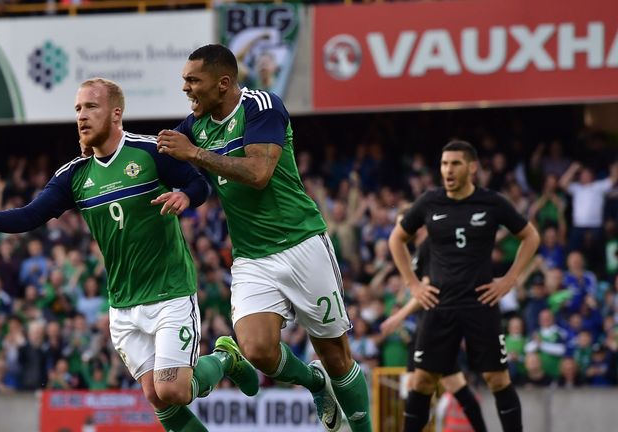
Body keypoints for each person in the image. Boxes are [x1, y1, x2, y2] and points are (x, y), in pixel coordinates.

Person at [0, 77, 257, 432]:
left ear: (116, 114)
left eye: (91, 107)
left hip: (169, 291)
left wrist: (186, 197)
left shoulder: (148, 151)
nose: (82, 115)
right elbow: (32, 215)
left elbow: (198, 183)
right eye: (78, 108)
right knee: (156, 398)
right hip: (123, 303)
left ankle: (224, 357)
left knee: (172, 389)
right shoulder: (74, 175)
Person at [157, 44, 371, 432]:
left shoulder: (262, 106)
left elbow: (258, 173)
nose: (186, 89)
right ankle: (313, 382)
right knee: (255, 349)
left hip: (302, 244)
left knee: (337, 357)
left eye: (193, 81)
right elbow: (167, 158)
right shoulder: (195, 125)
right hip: (252, 257)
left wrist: (195, 154)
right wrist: (187, 191)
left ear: (223, 83)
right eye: (184, 81)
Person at [388, 140, 540, 432]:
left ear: (472, 167)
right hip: (439, 304)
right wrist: (413, 284)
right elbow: (397, 239)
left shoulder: (491, 202)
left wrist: (509, 279)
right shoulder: (430, 201)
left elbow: (530, 236)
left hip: (480, 303)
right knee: (421, 380)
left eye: (455, 163)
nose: (448, 170)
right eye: (444, 164)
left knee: (497, 379)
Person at [381, 234, 487, 432]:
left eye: (403, 223)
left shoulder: (432, 246)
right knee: (445, 386)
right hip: (426, 327)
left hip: (435, 327)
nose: (400, 230)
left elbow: (428, 289)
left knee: (417, 388)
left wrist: (399, 316)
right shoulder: (418, 252)